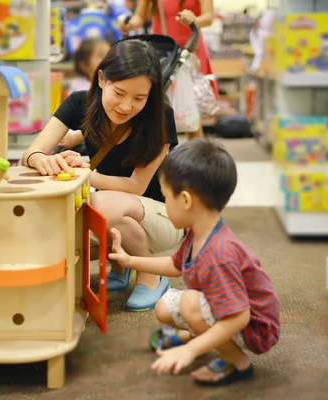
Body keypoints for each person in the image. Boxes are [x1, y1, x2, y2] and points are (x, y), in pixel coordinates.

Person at [21, 38, 183, 312]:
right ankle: (121, 264)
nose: (126, 106)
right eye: (119, 93)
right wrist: (42, 159)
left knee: (100, 204)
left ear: (151, 95)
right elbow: (32, 152)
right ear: (101, 79)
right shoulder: (78, 104)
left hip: (162, 216)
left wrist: (83, 173)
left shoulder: (160, 117)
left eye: (139, 98)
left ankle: (151, 276)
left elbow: (136, 186)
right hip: (118, 210)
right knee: (62, 221)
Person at [108, 138, 281, 386]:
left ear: (186, 200)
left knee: (189, 302)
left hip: (254, 327)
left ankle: (238, 362)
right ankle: (198, 334)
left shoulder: (219, 254)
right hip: (229, 308)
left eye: (166, 198)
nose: (165, 205)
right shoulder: (198, 232)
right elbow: (176, 266)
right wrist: (130, 260)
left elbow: (240, 316)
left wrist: (191, 352)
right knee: (164, 307)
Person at [120, 0, 220, 140]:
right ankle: (158, 158)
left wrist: (194, 20)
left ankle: (195, 158)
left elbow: (208, 17)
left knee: (191, 114)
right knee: (158, 109)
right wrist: (129, 24)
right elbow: (139, 17)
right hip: (163, 52)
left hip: (190, 51)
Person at [57, 38, 112, 153]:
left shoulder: (111, 90)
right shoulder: (76, 90)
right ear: (84, 65)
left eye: (111, 54)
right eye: (102, 55)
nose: (109, 60)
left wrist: (76, 137)